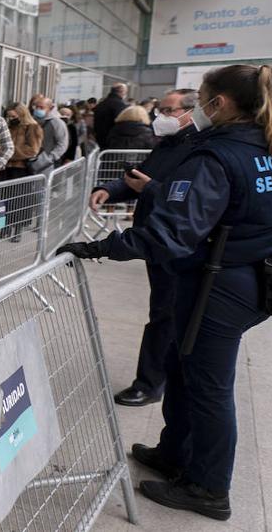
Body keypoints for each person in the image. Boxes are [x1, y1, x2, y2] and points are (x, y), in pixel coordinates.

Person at [60, 64, 272, 520]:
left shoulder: (219, 156)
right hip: (255, 277)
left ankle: (209, 488)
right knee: (180, 364)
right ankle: (174, 452)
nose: (198, 105)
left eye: (202, 97)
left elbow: (170, 234)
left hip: (222, 285)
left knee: (209, 388)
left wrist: (101, 246)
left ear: (222, 104)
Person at [88, 89, 199, 407]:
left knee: (166, 316)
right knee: (162, 312)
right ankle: (154, 380)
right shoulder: (167, 144)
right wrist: (109, 190)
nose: (160, 117)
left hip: (176, 243)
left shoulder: (199, 150)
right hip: (155, 240)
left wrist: (149, 188)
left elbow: (184, 199)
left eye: (168, 110)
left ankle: (151, 383)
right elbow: (141, 178)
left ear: (190, 112)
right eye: (159, 110)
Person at [0, 103, 41, 241]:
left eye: (13, 116)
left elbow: (33, 150)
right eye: (9, 116)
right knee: (4, 198)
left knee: (19, 200)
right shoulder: (8, 126)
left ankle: (17, 230)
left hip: (21, 169)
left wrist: (9, 153)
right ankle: (4, 227)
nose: (10, 118)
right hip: (6, 167)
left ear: (22, 114)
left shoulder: (32, 127)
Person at [27, 94, 68, 174]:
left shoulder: (57, 123)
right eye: (36, 107)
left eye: (41, 107)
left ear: (50, 108)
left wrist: (50, 158)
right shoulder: (32, 121)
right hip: (30, 161)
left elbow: (62, 143)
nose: (38, 109)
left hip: (47, 163)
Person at [94, 83, 129, 148]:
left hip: (100, 139)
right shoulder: (119, 105)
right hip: (115, 141)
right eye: (126, 91)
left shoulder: (101, 104)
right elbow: (122, 123)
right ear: (122, 91)